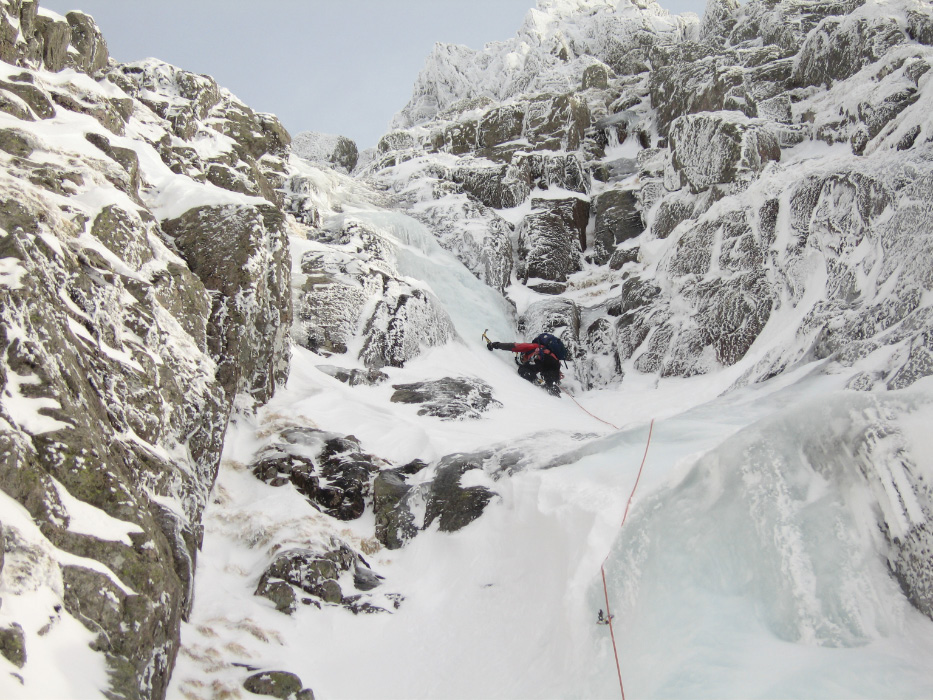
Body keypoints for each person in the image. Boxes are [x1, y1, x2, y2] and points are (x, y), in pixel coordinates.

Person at [487, 336, 563, 395]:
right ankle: (555, 393)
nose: (523, 360)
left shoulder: (532, 347)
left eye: (522, 359)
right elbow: (552, 363)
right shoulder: (545, 350)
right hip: (554, 364)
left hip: (546, 361)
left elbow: (513, 346)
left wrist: (496, 345)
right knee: (551, 384)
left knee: (522, 369)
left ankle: (538, 382)